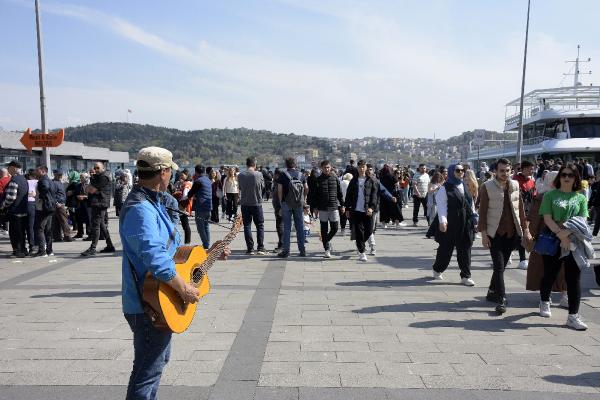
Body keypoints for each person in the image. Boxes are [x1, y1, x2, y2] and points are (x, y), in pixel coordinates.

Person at [120, 146, 230, 400]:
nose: (171, 176)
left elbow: (172, 251)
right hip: (147, 302)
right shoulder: (140, 209)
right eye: (170, 171)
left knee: (155, 363)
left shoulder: (153, 203)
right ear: (163, 172)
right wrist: (184, 288)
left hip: (157, 298)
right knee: (147, 371)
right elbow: (155, 258)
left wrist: (208, 253)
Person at [538, 163, 590, 330]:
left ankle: (573, 316)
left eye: (571, 175)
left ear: (576, 178)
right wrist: (560, 235)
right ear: (559, 177)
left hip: (574, 239)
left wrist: (567, 236)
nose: (567, 178)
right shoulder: (550, 195)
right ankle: (544, 301)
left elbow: (582, 220)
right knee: (550, 273)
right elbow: (547, 218)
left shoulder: (581, 197)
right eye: (564, 175)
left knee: (573, 278)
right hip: (553, 238)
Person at [479, 158, 531, 314]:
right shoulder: (487, 186)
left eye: (507, 170)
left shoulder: (514, 185)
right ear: (495, 171)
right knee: (499, 266)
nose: (505, 173)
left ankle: (491, 292)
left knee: (500, 267)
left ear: (511, 171)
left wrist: (525, 229)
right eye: (502, 171)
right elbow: (482, 212)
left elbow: (520, 209)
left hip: (512, 233)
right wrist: (483, 234)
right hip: (494, 233)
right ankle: (501, 298)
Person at [429, 164, 476, 286]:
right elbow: (442, 206)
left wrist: (475, 218)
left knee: (465, 249)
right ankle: (437, 269)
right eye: (458, 170)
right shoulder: (445, 188)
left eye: (462, 170)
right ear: (451, 172)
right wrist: (443, 221)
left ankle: (466, 276)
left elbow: (470, 204)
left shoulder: (464, 185)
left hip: (465, 222)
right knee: (446, 250)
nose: (461, 172)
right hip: (451, 222)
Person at [344, 160, 378, 262]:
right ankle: (362, 252)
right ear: (357, 168)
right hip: (356, 210)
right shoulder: (353, 181)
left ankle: (360, 244)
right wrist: (347, 208)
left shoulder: (372, 180)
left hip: (368, 210)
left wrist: (372, 208)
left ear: (366, 168)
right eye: (360, 167)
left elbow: (374, 196)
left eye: (363, 167)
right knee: (359, 231)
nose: (362, 169)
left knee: (369, 230)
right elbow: (348, 196)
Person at [277, 157, 308, 258]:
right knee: (300, 227)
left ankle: (286, 251)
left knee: (287, 228)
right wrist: (304, 199)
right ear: (295, 164)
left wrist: (281, 203)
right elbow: (306, 188)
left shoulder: (283, 175)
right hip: (298, 204)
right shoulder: (301, 175)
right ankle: (302, 250)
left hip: (286, 203)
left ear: (286, 165)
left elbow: (279, 190)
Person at [81, 162, 115, 256]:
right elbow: (87, 189)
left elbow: (90, 189)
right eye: (94, 168)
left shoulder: (103, 177)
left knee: (96, 225)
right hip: (99, 203)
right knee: (101, 225)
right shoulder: (97, 177)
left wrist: (90, 187)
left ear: (103, 168)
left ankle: (93, 248)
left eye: (97, 168)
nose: (95, 170)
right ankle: (110, 245)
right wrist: (90, 185)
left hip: (100, 203)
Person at [312, 159, 344, 258]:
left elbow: (339, 193)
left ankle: (326, 240)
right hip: (322, 208)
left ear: (331, 167)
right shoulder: (318, 179)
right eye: (325, 167)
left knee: (335, 228)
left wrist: (342, 205)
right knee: (324, 229)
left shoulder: (335, 179)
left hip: (334, 206)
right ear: (321, 168)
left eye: (328, 167)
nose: (327, 169)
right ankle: (327, 249)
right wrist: (315, 207)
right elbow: (314, 195)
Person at [237, 157, 267, 255]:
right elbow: (262, 187)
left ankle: (250, 249)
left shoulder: (240, 175)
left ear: (246, 164)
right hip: (257, 203)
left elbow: (240, 188)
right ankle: (260, 247)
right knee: (260, 225)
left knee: (247, 226)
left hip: (245, 203)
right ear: (254, 164)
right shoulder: (259, 174)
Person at [0, 161, 29, 257]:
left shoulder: (14, 180)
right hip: (23, 210)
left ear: (14, 168)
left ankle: (17, 251)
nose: (8, 170)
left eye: (9, 168)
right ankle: (23, 250)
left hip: (15, 211)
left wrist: (3, 206)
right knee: (21, 232)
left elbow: (11, 197)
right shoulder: (24, 179)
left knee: (15, 233)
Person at [512, 160, 536, 270]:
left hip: (528, 212)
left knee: (523, 235)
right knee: (518, 235)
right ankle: (522, 259)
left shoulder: (531, 182)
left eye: (533, 168)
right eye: (530, 169)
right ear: (523, 169)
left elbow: (534, 197)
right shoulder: (515, 180)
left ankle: (522, 259)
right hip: (516, 212)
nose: (532, 171)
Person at [185, 165, 213, 249]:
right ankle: (207, 244)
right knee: (206, 226)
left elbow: (190, 194)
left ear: (196, 172)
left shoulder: (198, 181)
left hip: (200, 207)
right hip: (208, 206)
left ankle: (205, 245)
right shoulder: (208, 180)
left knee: (200, 228)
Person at [33, 165, 55, 257]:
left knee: (39, 228)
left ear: (43, 171)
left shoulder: (43, 180)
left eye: (37, 171)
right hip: (50, 207)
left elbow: (45, 188)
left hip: (43, 208)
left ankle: (42, 251)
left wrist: (41, 196)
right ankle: (49, 251)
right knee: (48, 229)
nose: (35, 173)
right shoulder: (50, 180)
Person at [172, 169, 193, 244]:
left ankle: (187, 242)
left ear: (186, 175)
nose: (181, 176)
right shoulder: (189, 183)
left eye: (182, 175)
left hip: (183, 206)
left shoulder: (186, 184)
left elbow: (185, 195)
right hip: (186, 205)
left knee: (185, 224)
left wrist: (178, 196)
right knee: (185, 224)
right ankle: (187, 241)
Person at [51, 170, 72, 242]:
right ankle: (67, 236)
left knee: (56, 221)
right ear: (54, 174)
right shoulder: (53, 183)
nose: (60, 176)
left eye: (61, 175)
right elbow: (52, 194)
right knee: (64, 220)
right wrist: (57, 203)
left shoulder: (60, 182)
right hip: (58, 204)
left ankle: (57, 237)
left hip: (61, 204)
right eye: (59, 175)